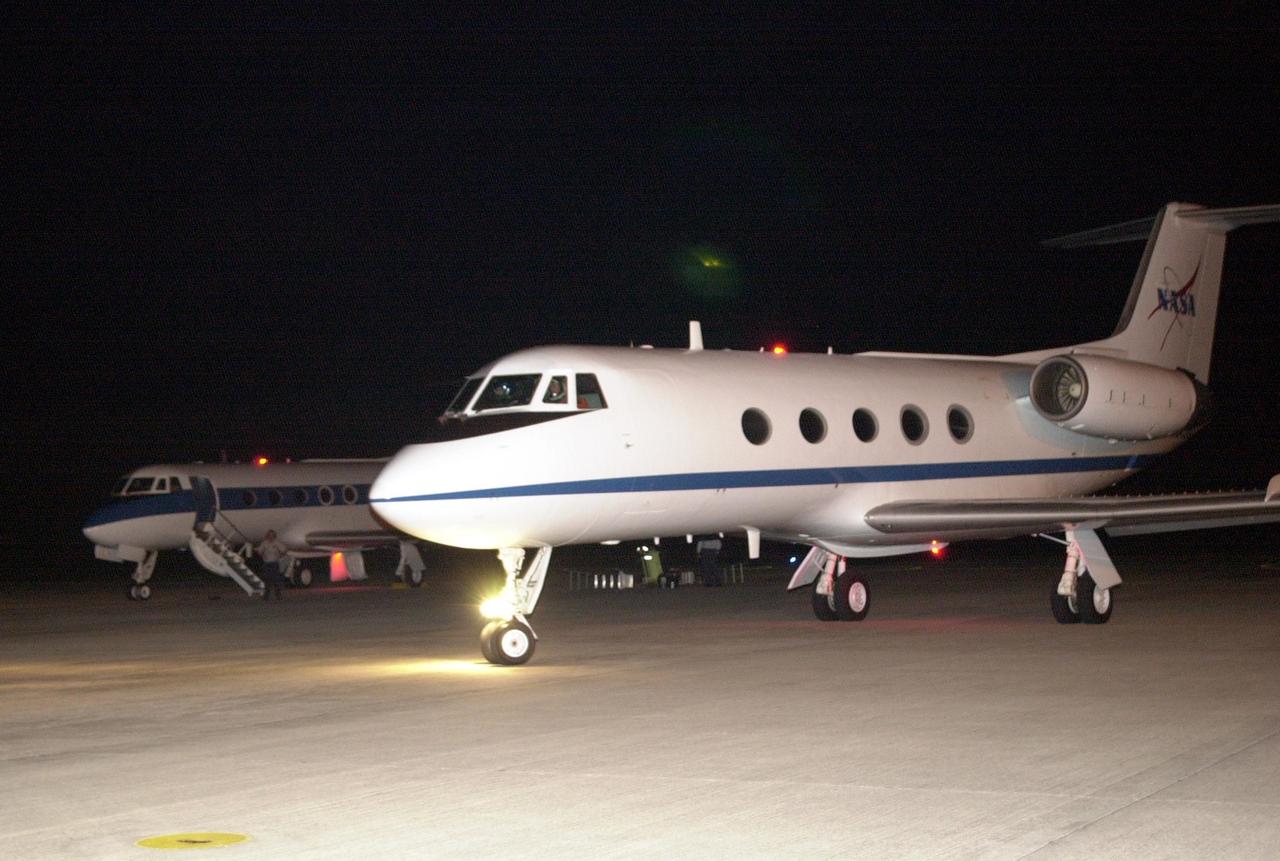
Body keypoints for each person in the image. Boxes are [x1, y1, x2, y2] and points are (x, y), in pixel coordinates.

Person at [256, 529, 288, 600]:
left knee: (276, 580)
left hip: (274, 563)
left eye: (272, 535)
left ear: (274, 536)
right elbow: (259, 551)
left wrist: (281, 555)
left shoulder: (277, 543)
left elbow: (285, 549)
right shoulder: (264, 543)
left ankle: (278, 595)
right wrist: (262, 555)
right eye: (269, 535)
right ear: (267, 536)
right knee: (267, 580)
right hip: (267, 564)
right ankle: (266, 595)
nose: (271, 536)